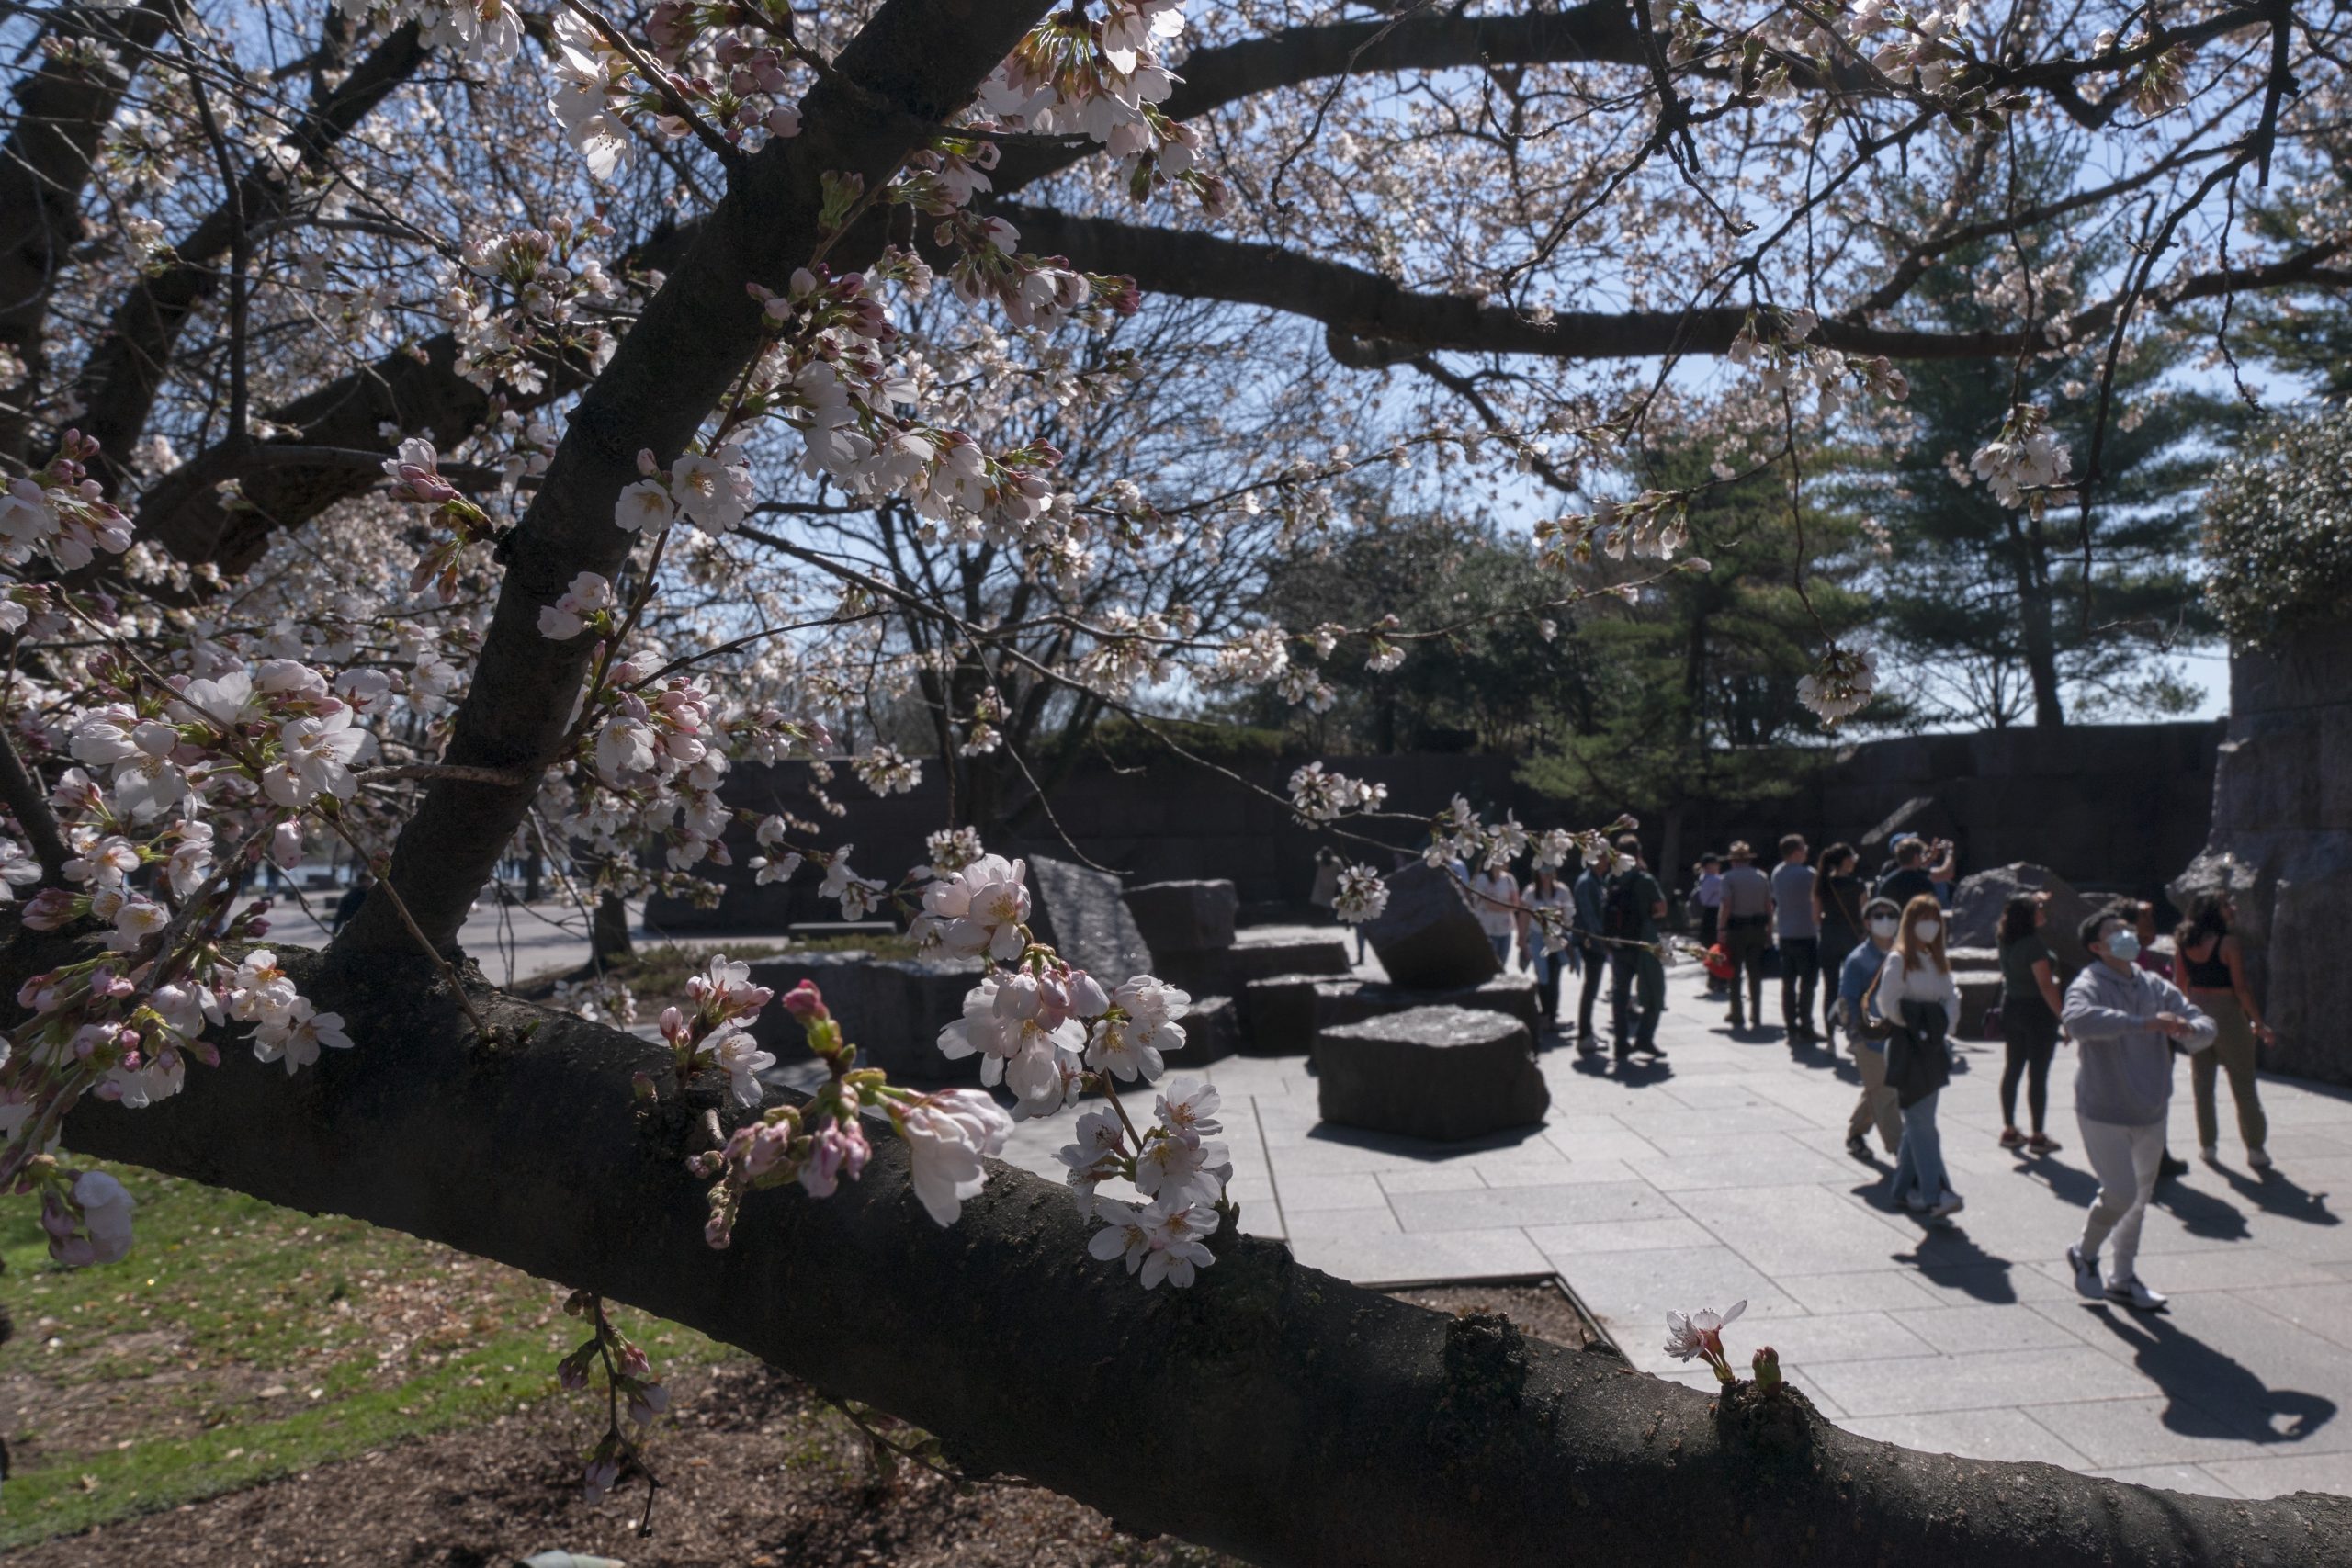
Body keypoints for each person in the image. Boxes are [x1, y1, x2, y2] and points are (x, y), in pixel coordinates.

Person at [2063, 908, 2217, 1312]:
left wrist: (2190, 1030)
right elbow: (2077, 1020)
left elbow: (2202, 1021)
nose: (2127, 935)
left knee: (2139, 1198)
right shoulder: (2089, 982)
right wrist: (2143, 1024)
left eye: (2128, 929)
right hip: (2103, 1109)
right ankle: (2084, 1252)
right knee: (2121, 1193)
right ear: (2097, 946)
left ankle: (2123, 1277)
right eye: (2115, 932)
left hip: (2151, 1106)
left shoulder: (2153, 984)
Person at [1873, 893, 1963, 1219]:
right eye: (1923, 917)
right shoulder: (1899, 959)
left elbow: (1952, 995)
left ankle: (1901, 1190)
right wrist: (1920, 1024)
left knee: (1918, 1121)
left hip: (1934, 1047)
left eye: (1934, 917)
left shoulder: (1936, 959)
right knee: (1923, 1123)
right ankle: (1935, 1193)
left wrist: (1941, 1026)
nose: (1930, 924)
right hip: (1908, 1047)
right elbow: (1889, 1003)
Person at [2175, 892, 2275, 1170]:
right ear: (2214, 912)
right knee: (2243, 1083)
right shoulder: (2228, 942)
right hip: (2228, 1013)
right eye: (2226, 905)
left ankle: (2207, 1146)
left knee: (2202, 1084)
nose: (2232, 908)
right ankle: (2255, 1148)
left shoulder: (2183, 941)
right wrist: (2258, 1022)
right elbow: (2241, 988)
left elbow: (2179, 984)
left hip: (2197, 1011)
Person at [1996, 892, 2066, 1154]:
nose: (2042, 911)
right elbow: (2047, 987)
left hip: (2012, 1006)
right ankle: (2038, 1134)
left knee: (2012, 1068)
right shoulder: (2034, 946)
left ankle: (2010, 1128)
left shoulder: (2004, 938)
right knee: (2038, 1073)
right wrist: (2064, 1018)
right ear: (2028, 917)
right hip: (2037, 1012)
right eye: (2038, 908)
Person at [1840, 896, 1905, 1163]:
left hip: (1899, 1034)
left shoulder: (1904, 954)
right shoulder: (1858, 960)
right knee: (1885, 1093)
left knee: (1877, 1089)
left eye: (1891, 916)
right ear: (1867, 923)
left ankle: (1856, 1133)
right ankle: (1902, 1150)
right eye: (1878, 916)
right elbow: (1847, 1000)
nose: (1886, 921)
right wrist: (1857, 1036)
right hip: (1871, 1037)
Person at [1603, 834, 1668, 1061]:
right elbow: (1661, 909)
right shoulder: (1644, 879)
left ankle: (1621, 1044)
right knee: (1654, 991)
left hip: (1619, 943)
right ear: (1638, 853)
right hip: (1644, 942)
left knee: (1620, 995)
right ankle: (1644, 1038)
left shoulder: (1612, 879)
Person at [1814, 842, 1866, 1044]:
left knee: (1830, 987)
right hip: (1852, 940)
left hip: (1828, 939)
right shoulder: (1858, 885)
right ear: (1845, 860)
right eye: (1852, 857)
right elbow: (1864, 916)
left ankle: (1829, 1035)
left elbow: (1815, 916)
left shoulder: (1822, 884)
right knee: (1855, 988)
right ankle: (1853, 1031)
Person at [1717, 841, 1772, 1031]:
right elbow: (1769, 906)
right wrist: (1770, 930)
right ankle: (1756, 1014)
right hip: (1757, 928)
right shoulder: (1761, 877)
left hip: (1736, 929)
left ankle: (1737, 1012)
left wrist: (1721, 928)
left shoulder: (1728, 878)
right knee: (1754, 973)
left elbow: (1727, 905)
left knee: (1734, 972)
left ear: (1732, 861)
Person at [1770, 834, 1819, 1043]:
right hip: (1806, 933)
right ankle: (1806, 1024)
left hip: (1785, 933)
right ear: (1797, 851)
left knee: (1788, 983)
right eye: (1804, 848)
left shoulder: (1777, 873)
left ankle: (1790, 1025)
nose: (1807, 852)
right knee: (1808, 983)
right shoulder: (1808, 874)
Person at [1521, 864, 1575, 1032]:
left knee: (1555, 977)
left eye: (1548, 872)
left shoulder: (1562, 891)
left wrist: (1568, 938)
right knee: (1543, 977)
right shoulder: (1530, 892)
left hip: (1557, 938)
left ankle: (1552, 1015)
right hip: (1538, 938)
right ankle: (1545, 1014)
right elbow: (1523, 916)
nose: (1545, 876)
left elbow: (1569, 915)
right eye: (1542, 873)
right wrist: (1522, 941)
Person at [1570, 852, 1611, 1052]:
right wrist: (1601, 939)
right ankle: (1584, 1034)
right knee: (1590, 989)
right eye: (1603, 857)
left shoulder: (1596, 880)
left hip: (1595, 941)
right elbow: (1588, 916)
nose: (1607, 861)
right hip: (1591, 942)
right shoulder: (1587, 882)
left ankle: (1587, 1031)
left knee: (1592, 989)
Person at [1873, 835, 1953, 908]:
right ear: (1915, 857)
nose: (1923, 858)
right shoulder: (1923, 881)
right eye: (1921, 856)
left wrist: (1931, 856)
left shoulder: (1889, 880)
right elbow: (1946, 873)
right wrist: (1948, 852)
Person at [1468, 860, 1521, 965]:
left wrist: (1500, 906)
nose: (1506, 861)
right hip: (1487, 930)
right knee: (1489, 965)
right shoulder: (1481, 879)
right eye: (1503, 859)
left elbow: (1516, 905)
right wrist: (1507, 906)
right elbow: (1488, 905)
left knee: (1502, 964)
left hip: (1505, 930)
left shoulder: (1509, 879)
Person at [1691, 854, 1725, 991]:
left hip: (1708, 916)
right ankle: (1719, 979)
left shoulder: (1703, 879)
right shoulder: (1714, 880)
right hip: (1714, 914)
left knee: (1712, 948)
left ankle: (1714, 978)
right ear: (1707, 866)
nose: (1718, 866)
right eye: (1714, 864)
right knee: (1719, 947)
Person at [331, 871, 373, 935]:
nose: (372, 883)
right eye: (370, 880)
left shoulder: (349, 895)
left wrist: (334, 931)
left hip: (351, 929)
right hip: (365, 929)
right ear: (365, 881)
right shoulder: (369, 895)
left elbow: (339, 916)